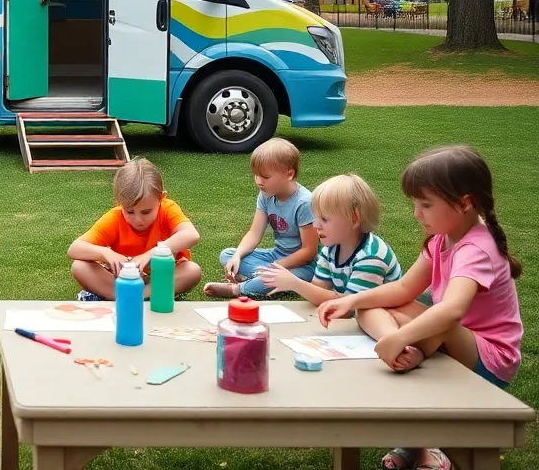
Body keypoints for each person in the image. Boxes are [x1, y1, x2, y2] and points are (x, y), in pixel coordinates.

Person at [318, 146, 523, 470]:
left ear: (465, 203)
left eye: (426, 205)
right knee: (372, 306)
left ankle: (432, 436)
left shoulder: (476, 249)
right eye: (416, 204)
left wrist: (401, 336)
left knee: (438, 320)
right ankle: (406, 358)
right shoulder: (442, 239)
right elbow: (403, 289)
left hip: (489, 357)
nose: (417, 214)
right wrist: (351, 300)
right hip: (449, 335)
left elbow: (452, 312)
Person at [68, 157, 202, 301]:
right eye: (130, 212)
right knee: (79, 266)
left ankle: (134, 297)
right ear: (119, 202)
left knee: (192, 271)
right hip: (123, 278)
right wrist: (105, 253)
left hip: (159, 278)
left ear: (161, 198)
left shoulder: (168, 209)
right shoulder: (115, 217)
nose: (138, 220)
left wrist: (152, 254)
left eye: (146, 212)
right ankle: (130, 296)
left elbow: (191, 235)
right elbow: (74, 249)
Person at [257, 174, 402, 304]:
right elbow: (318, 289)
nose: (315, 225)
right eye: (316, 217)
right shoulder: (331, 249)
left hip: (383, 316)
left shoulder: (371, 256)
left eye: (324, 219)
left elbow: (348, 306)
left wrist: (295, 284)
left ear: (354, 219)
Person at [203, 137, 317, 298]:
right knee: (227, 255)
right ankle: (260, 278)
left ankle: (238, 288)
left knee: (276, 276)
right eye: (256, 175)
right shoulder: (266, 195)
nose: (258, 181)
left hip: (303, 266)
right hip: (275, 255)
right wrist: (237, 256)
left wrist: (275, 266)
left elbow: (309, 251)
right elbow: (254, 233)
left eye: (265, 177)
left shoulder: (304, 202)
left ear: (289, 174)